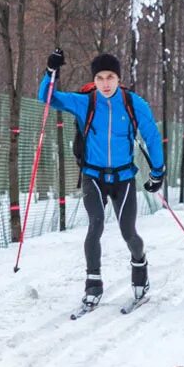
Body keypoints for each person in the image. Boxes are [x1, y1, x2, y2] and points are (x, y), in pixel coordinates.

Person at [38, 48, 165, 306]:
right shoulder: (86, 101)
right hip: (93, 176)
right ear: (94, 80)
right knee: (95, 226)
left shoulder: (133, 103)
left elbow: (151, 136)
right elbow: (47, 97)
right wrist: (51, 71)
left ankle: (139, 267)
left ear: (118, 79)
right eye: (100, 78)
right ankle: (93, 284)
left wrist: (158, 172)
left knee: (128, 232)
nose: (105, 83)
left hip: (123, 178)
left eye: (110, 77)